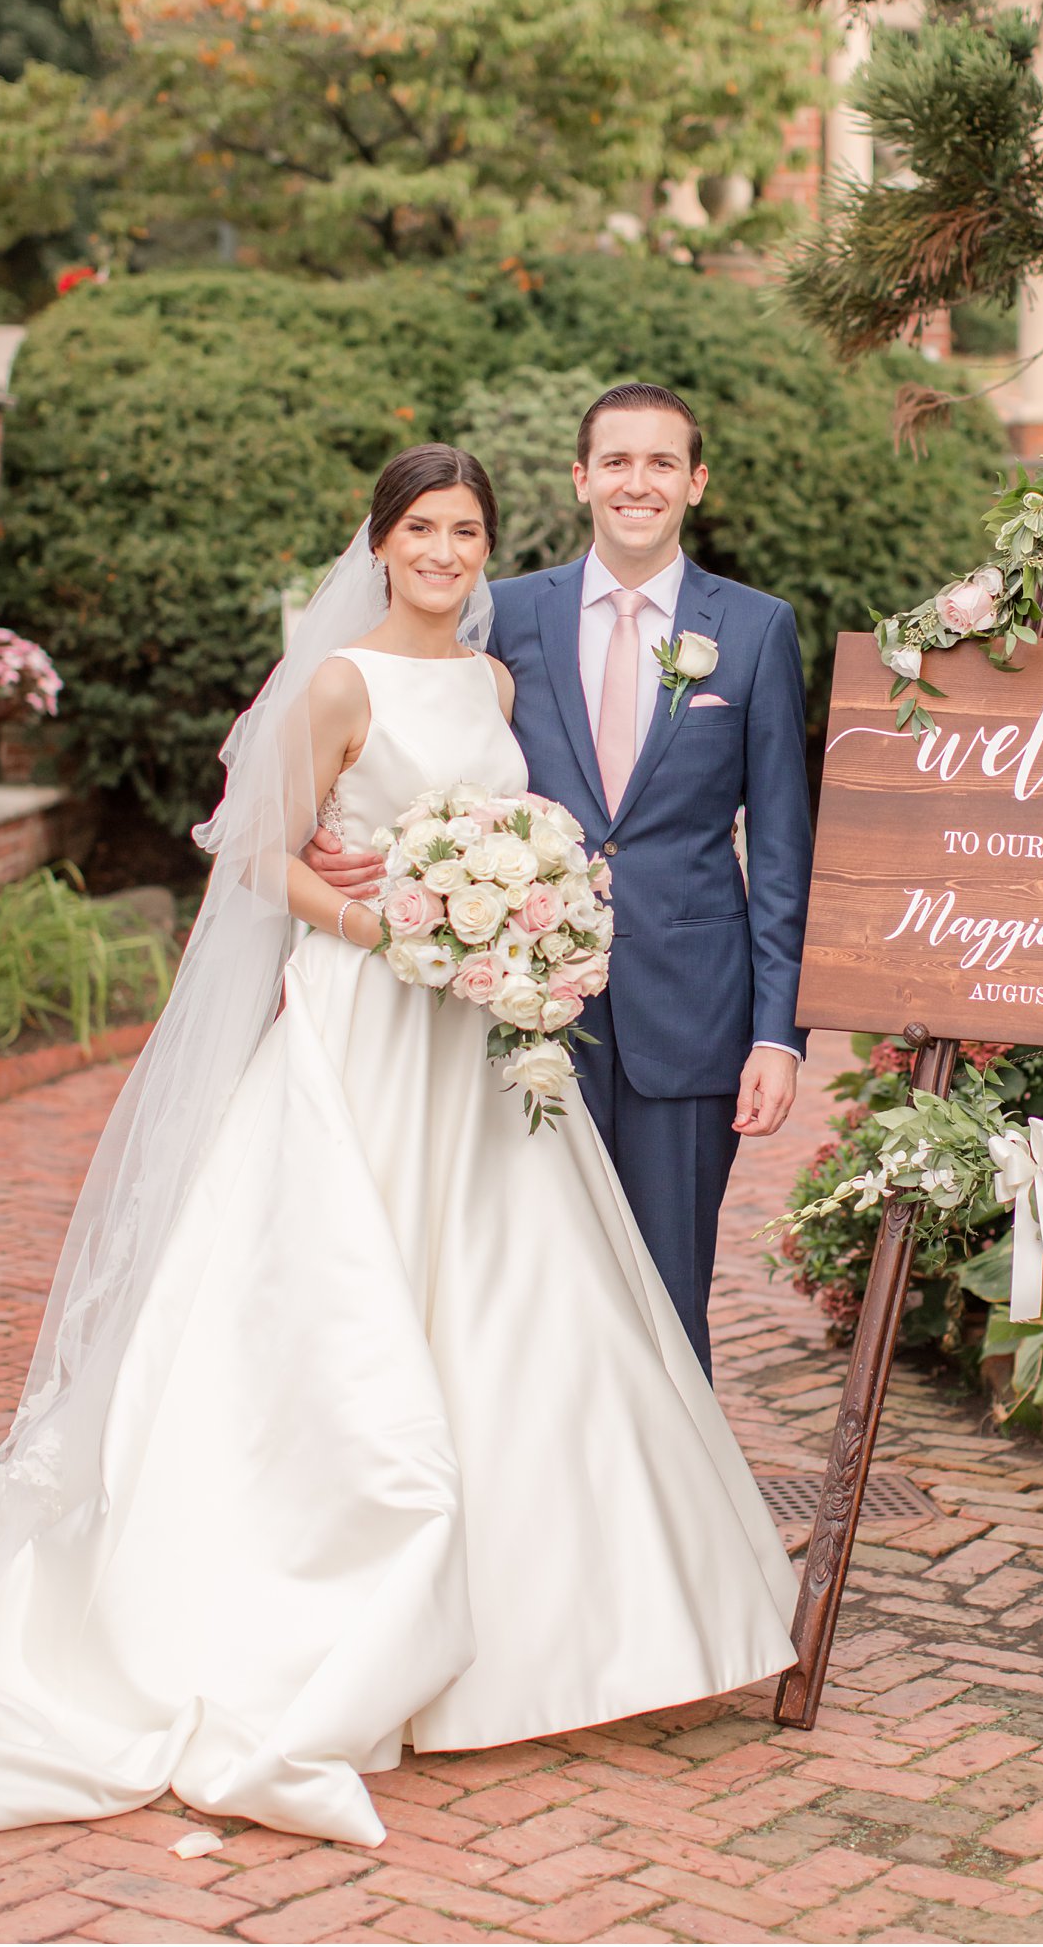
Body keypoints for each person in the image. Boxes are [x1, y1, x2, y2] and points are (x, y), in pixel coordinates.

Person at [0, 446, 798, 1850]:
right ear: (377, 544)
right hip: (362, 1025)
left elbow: (522, 831)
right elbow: (255, 853)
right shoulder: (336, 684)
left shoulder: (499, 685)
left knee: (524, 1300)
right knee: (343, 1294)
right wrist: (397, 928)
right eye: (423, 529)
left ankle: (566, 1629)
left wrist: (519, 921)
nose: (445, 551)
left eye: (468, 531)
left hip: (477, 1043)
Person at [306, 384, 814, 1374]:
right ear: (580, 478)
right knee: (523, 1286)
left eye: (661, 462)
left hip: (692, 1013)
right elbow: (437, 763)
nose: (638, 481)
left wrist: (774, 1034)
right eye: (615, 461)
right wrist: (339, 839)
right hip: (517, 1013)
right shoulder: (508, 618)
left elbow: (783, 844)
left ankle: (670, 1524)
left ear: (695, 483)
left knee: (669, 1294)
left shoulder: (753, 629)